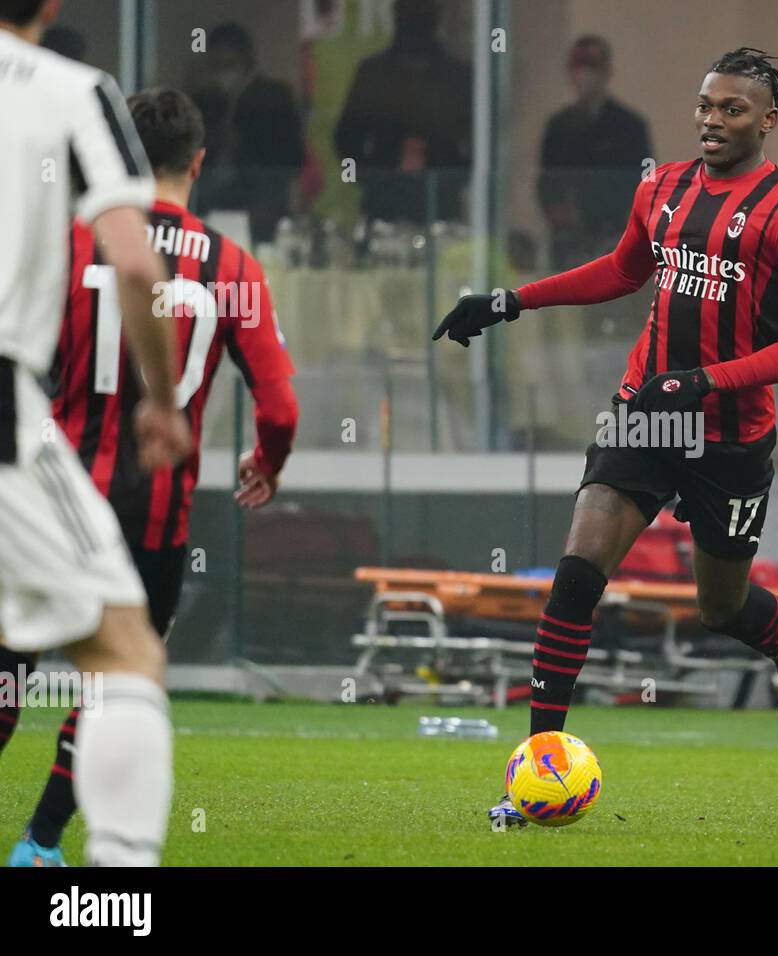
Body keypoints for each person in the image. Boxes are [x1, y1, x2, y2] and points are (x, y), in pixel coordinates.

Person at [435, 47, 778, 827]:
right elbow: (622, 269)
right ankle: (536, 775)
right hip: (646, 413)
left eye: (733, 110)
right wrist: (512, 301)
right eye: (706, 105)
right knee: (578, 573)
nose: (713, 121)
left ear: (768, 120)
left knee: (720, 609)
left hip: (731, 437)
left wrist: (707, 380)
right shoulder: (664, 185)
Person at [1, 86, 301, 866]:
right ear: (198, 163)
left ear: (123, 157)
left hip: (46, 493)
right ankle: (42, 845)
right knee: (120, 679)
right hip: (153, 517)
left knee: (8, 670)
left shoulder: (70, 243)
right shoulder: (231, 266)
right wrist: (266, 463)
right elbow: (279, 403)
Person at [0, 0, 192, 866]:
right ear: (52, 6)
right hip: (10, 406)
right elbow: (136, 255)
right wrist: (162, 398)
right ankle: (115, 890)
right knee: (123, 651)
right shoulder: (74, 91)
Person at [333, 0, 472, 226]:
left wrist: (454, 178)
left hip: (439, 201)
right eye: (409, 12)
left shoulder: (457, 76)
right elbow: (345, 138)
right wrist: (365, 178)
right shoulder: (374, 73)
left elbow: (479, 145)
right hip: (384, 200)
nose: (415, 20)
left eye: (421, 12)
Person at [538, 36, 653, 270]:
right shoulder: (559, 126)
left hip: (614, 235)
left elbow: (643, 184)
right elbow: (546, 181)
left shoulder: (629, 126)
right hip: (569, 239)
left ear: (606, 71)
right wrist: (559, 212)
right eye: (578, 67)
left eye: (592, 67)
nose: (584, 75)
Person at [189, 22, 305, 244]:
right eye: (217, 65)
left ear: (247, 58)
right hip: (209, 205)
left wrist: (244, 143)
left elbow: (291, 157)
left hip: (260, 207)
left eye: (230, 64)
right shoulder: (203, 101)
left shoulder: (275, 98)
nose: (223, 72)